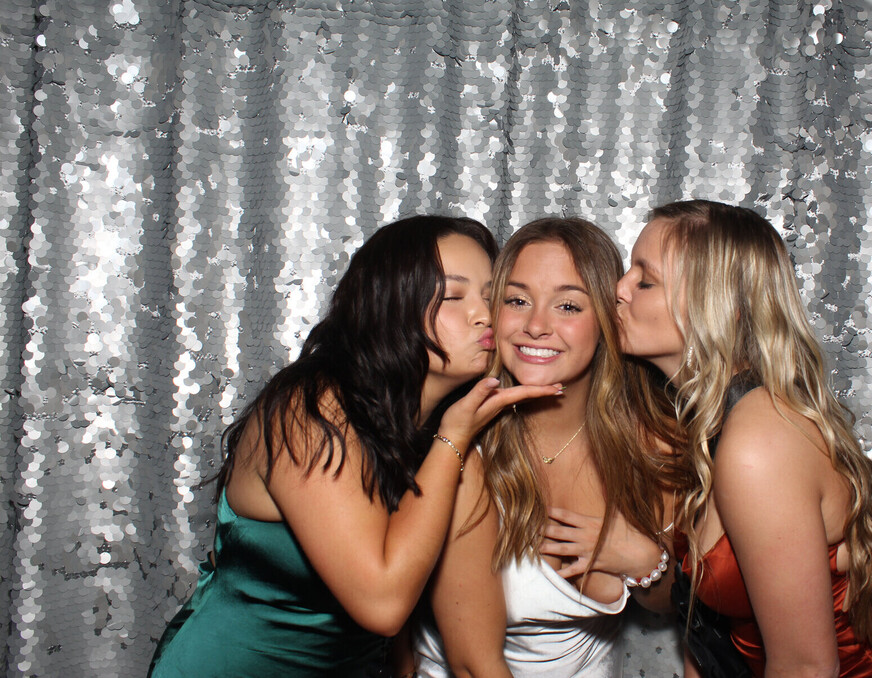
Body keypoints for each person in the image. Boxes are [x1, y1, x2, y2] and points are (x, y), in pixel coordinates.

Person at [148, 215, 562, 677]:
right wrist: (454, 438)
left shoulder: (430, 428)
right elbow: (383, 605)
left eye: (490, 296)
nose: (483, 314)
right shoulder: (312, 411)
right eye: (452, 296)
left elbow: (412, 610)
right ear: (389, 307)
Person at [615, 200, 872, 678]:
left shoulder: (760, 439)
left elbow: (806, 667)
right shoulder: (705, 420)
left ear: (717, 305)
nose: (619, 288)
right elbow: (707, 631)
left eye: (645, 281)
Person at [410, 217, 679, 677]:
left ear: (608, 320)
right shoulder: (461, 451)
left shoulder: (655, 444)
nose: (535, 326)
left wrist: (644, 560)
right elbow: (473, 664)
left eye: (568, 306)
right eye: (517, 301)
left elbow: (671, 604)